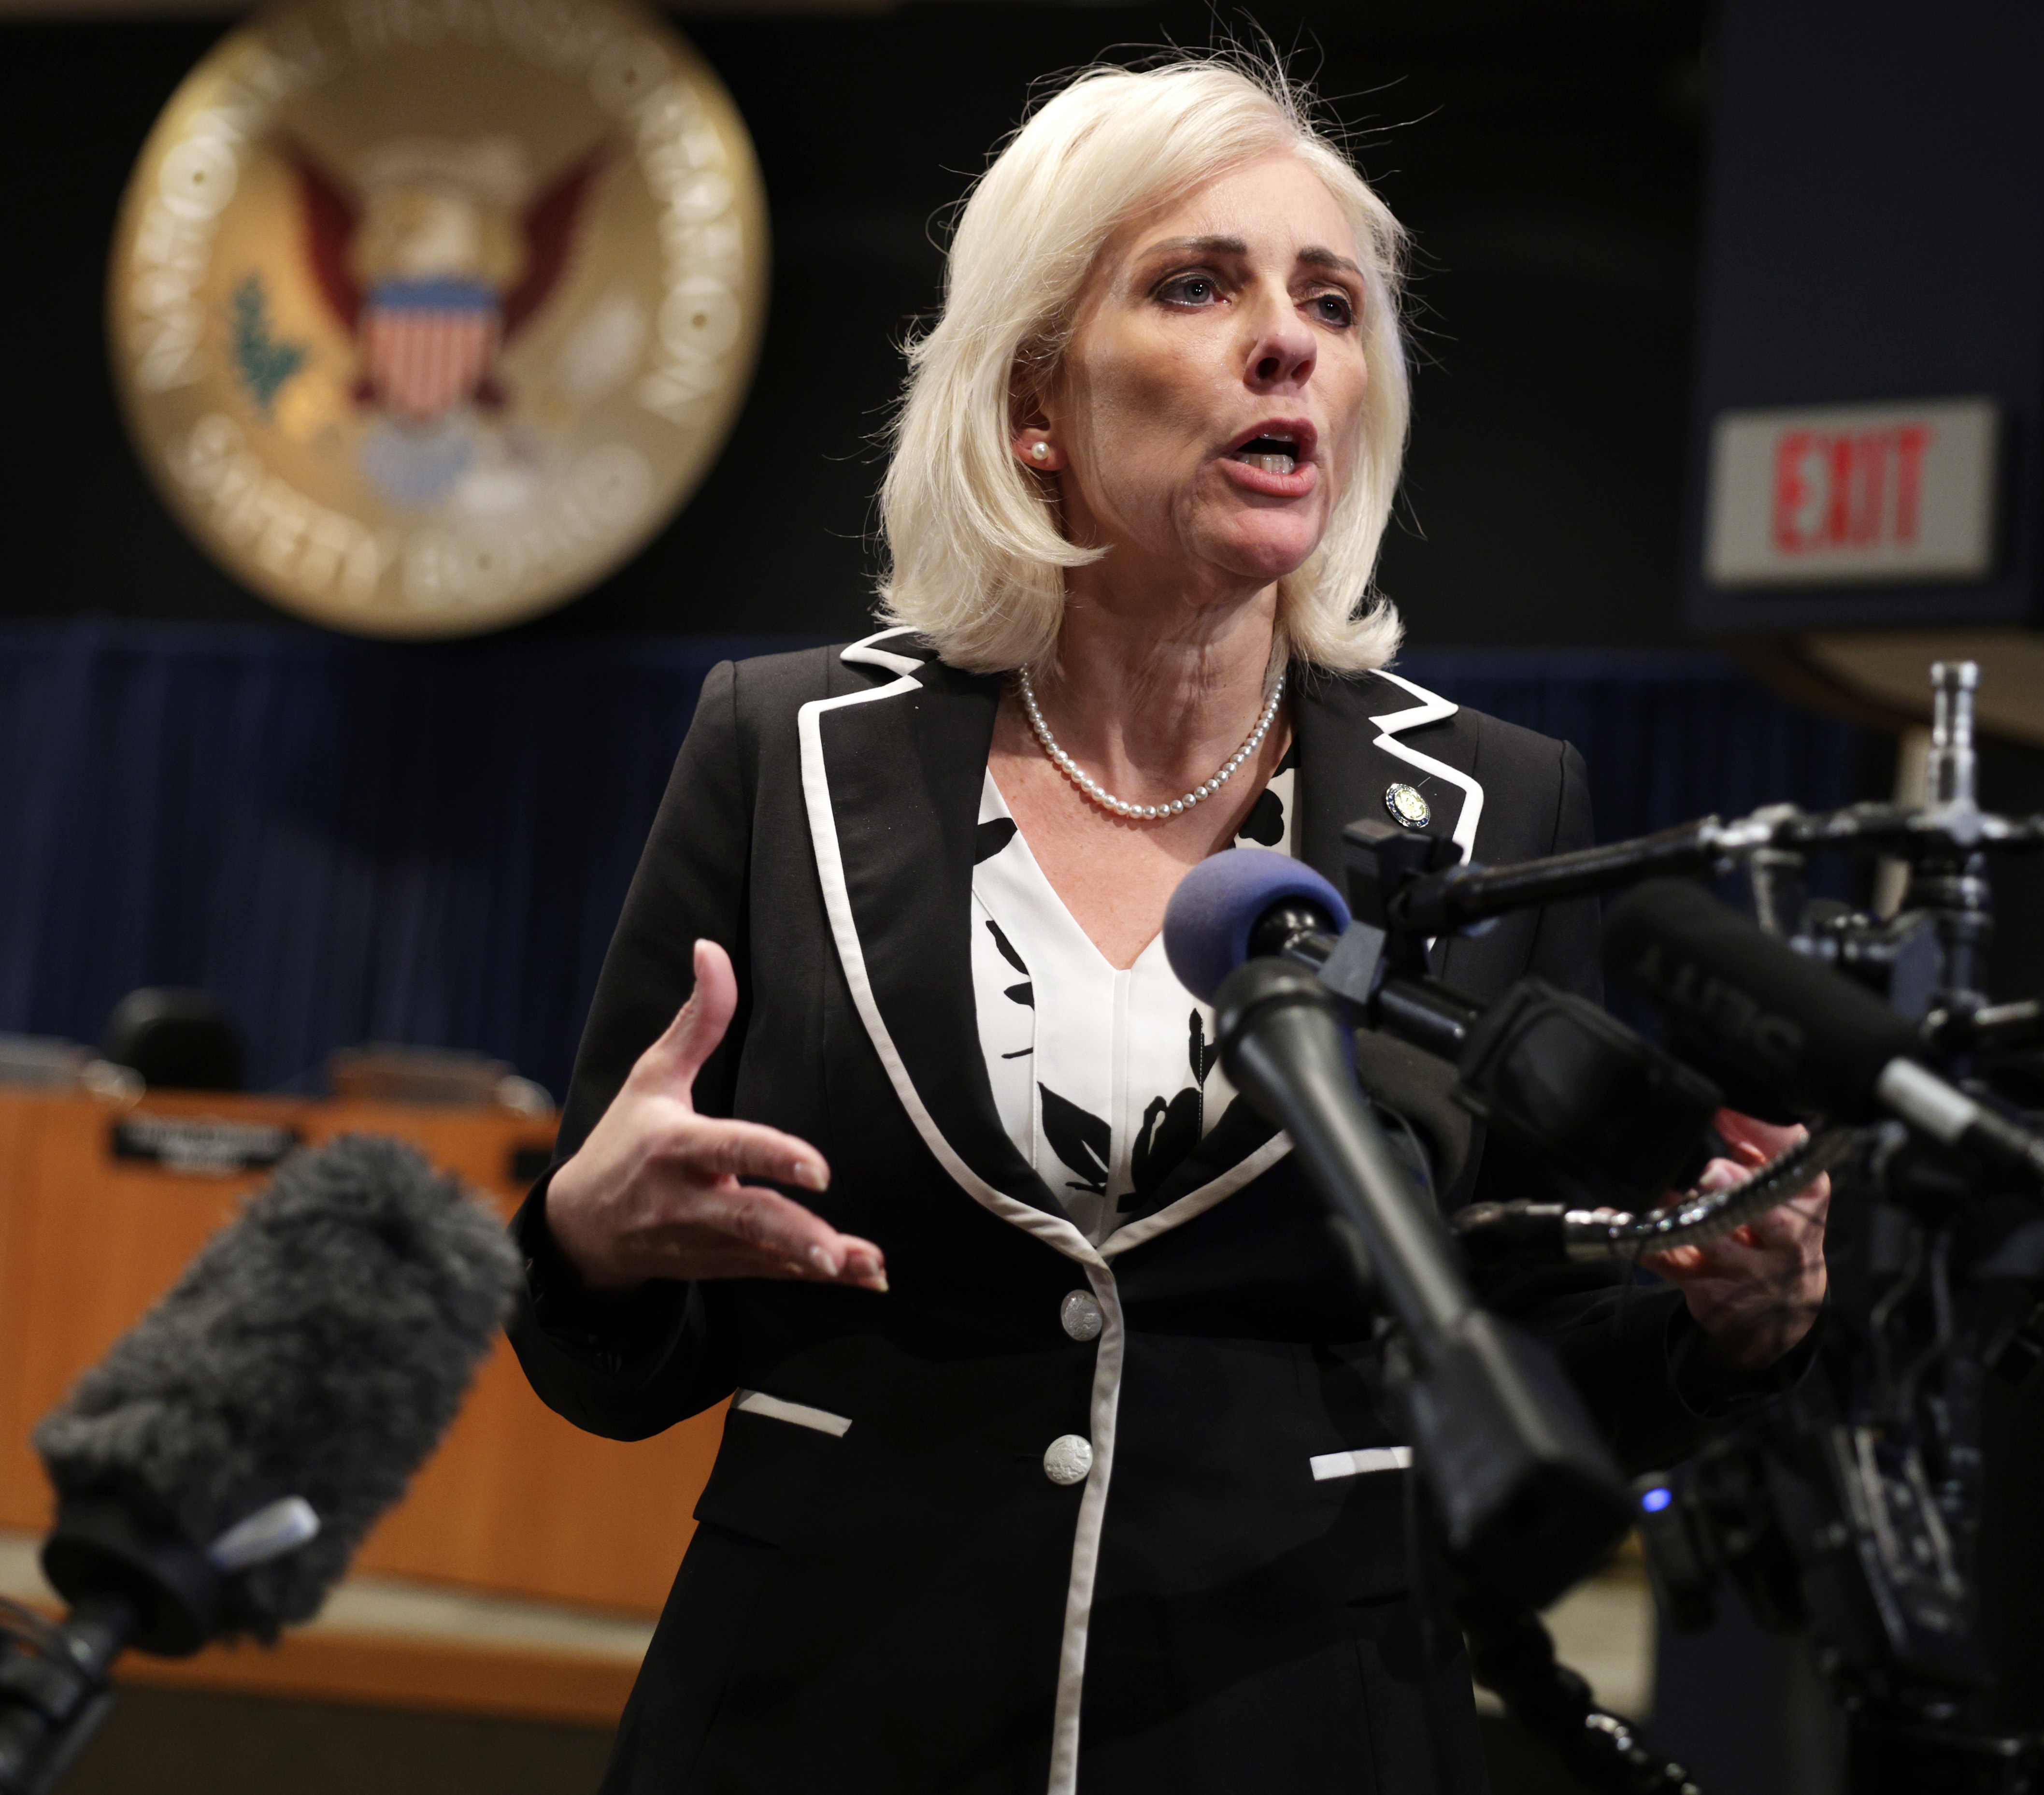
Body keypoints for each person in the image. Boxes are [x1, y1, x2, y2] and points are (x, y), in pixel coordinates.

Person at [508, 54, 1830, 1795]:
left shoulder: (1500, 807)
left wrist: (1726, 1323)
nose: (1286, 341)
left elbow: (1525, 1349)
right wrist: (590, 1247)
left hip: (1302, 1716)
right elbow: (606, 1343)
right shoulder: (780, 752)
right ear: (1034, 394)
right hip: (819, 1714)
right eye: (1198, 284)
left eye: (1331, 303)